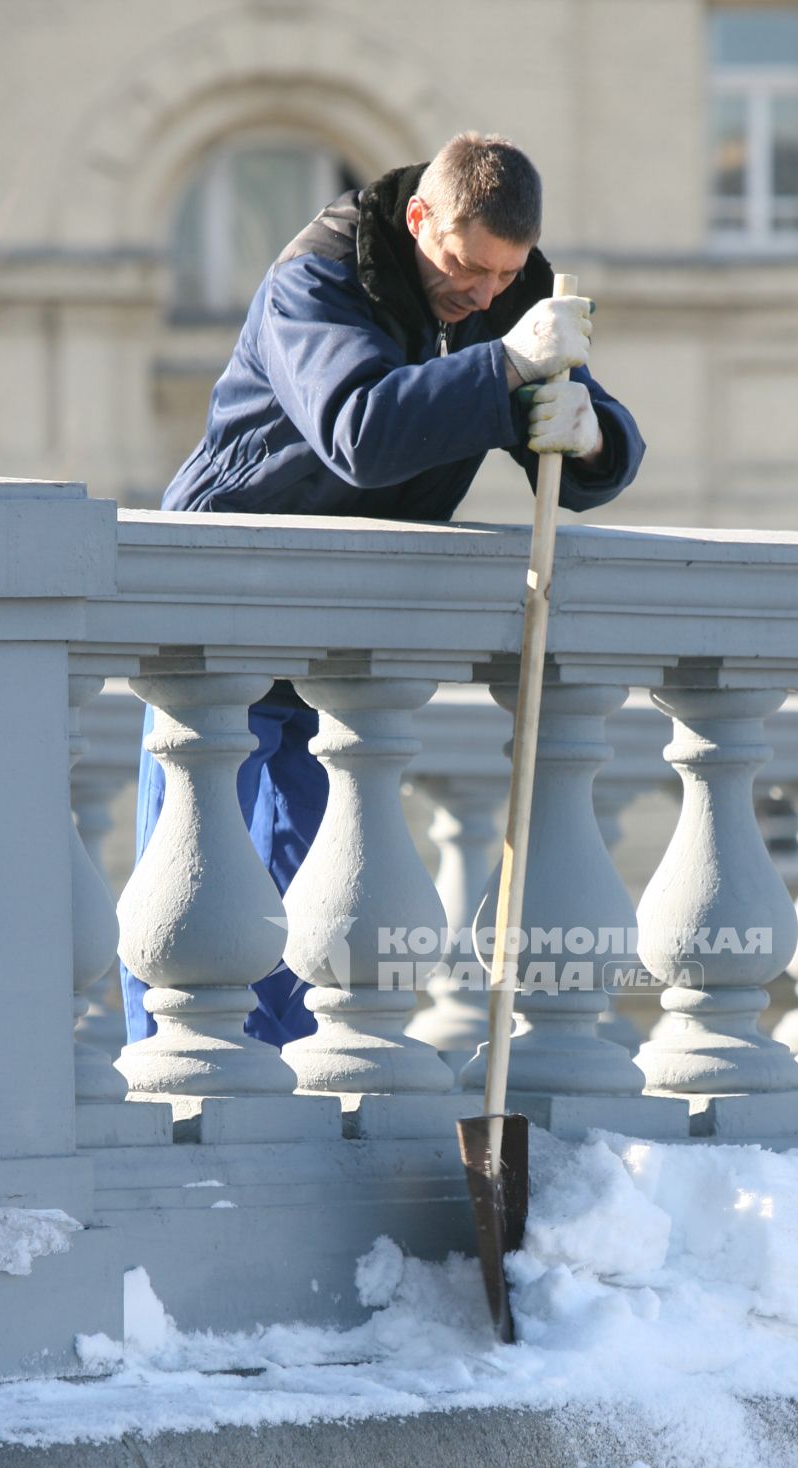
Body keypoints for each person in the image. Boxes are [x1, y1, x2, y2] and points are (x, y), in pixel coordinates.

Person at [124, 132, 645, 1048]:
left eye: (504, 275)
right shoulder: (316, 280)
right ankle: (167, 1093)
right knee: (193, 880)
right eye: (467, 265)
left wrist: (592, 434)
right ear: (419, 219)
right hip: (221, 603)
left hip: (342, 631)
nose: (483, 292)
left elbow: (580, 459)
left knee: (315, 891)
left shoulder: (512, 298)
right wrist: (507, 368)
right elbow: (359, 431)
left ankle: (292, 1089)